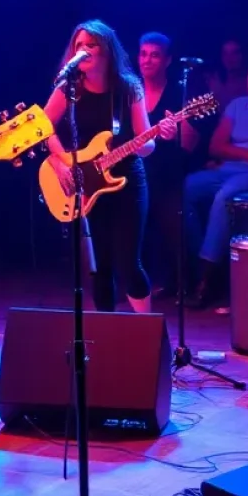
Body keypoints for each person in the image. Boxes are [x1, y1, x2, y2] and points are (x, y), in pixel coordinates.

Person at [44, 20, 176, 314]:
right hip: (87, 186)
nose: (84, 50)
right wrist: (61, 160)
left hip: (127, 181)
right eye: (79, 45)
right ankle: (105, 334)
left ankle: (147, 331)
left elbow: (147, 145)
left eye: (91, 45)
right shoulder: (69, 88)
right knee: (99, 266)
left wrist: (156, 134)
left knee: (129, 263)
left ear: (107, 51)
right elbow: (42, 127)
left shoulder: (128, 88)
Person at [183, 57, 248, 308]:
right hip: (231, 168)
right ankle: (198, 260)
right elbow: (215, 146)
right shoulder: (237, 105)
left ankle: (207, 278)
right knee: (187, 186)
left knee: (224, 196)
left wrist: (235, 150)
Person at [137, 32, 198, 295]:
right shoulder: (130, 91)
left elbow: (190, 144)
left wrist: (175, 134)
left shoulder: (177, 94)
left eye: (154, 55)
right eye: (143, 54)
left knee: (172, 214)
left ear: (167, 60)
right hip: (133, 169)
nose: (147, 60)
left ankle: (183, 282)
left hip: (166, 172)